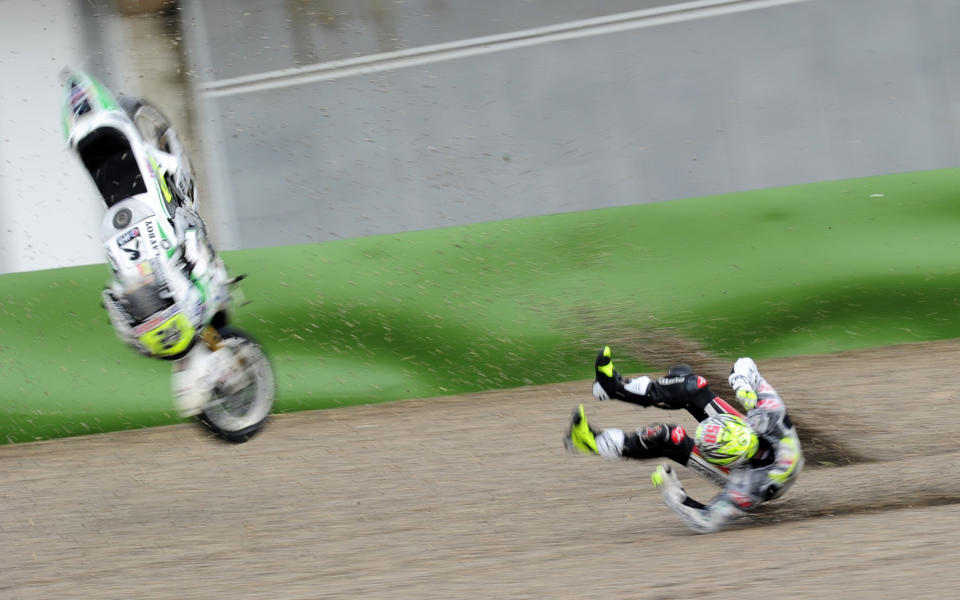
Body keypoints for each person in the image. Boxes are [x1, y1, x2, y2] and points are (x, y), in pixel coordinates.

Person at [565, 346, 803, 533]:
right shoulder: (769, 413)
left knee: (667, 437)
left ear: (727, 462)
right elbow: (745, 364)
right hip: (759, 447)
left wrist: (673, 492)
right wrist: (742, 385)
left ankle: (591, 442)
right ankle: (612, 387)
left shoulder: (748, 486)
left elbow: (705, 521)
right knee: (693, 386)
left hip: (757, 476)